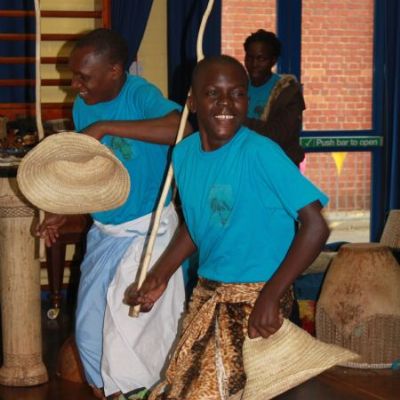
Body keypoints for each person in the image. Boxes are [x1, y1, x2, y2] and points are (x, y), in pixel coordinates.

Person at [125, 55, 330, 400]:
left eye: (237, 94)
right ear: (192, 102)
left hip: (260, 299)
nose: (225, 104)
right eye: (213, 94)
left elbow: (315, 227)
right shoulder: (184, 154)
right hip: (208, 293)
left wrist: (271, 295)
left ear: (247, 101)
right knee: (183, 386)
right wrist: (160, 274)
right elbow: (197, 224)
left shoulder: (260, 153)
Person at [35, 28, 191, 400]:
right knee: (90, 335)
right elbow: (89, 175)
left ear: (115, 71)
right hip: (105, 233)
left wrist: (105, 127)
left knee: (132, 340)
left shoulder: (138, 93)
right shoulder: (82, 105)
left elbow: (179, 128)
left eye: (83, 77)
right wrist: (61, 210)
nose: (75, 85)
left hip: (148, 235)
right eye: (73, 75)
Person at [243, 29, 305, 166]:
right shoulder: (237, 87)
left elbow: (276, 134)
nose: (254, 64)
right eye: (250, 57)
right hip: (245, 166)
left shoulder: (289, 93)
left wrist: (236, 121)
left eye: (261, 59)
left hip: (278, 168)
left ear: (273, 60)